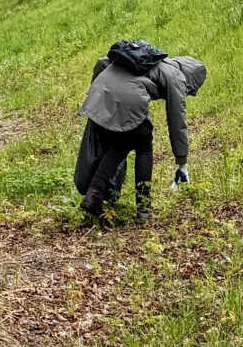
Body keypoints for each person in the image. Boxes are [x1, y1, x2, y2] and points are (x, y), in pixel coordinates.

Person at [77, 49, 207, 221]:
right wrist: (182, 161)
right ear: (191, 78)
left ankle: (95, 193)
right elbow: (177, 121)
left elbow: (102, 62)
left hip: (101, 90)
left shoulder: (152, 62)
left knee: (123, 143)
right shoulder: (176, 78)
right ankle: (143, 208)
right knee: (144, 144)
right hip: (123, 96)